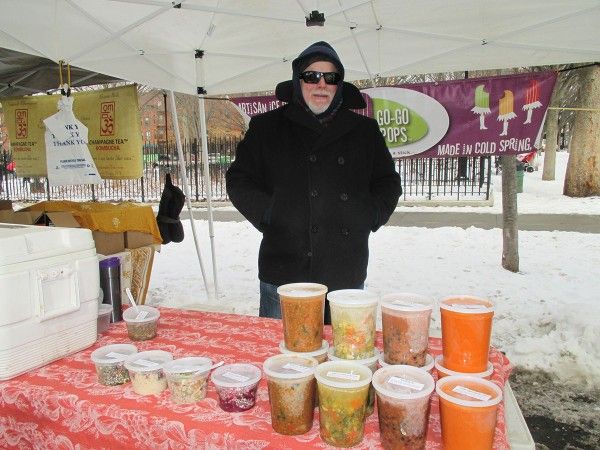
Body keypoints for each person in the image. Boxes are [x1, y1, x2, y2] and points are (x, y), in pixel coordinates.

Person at [226, 41, 401, 324]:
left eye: (330, 77)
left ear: (339, 84)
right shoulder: (267, 127)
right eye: (312, 76)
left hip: (345, 271)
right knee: (283, 359)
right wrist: (269, 212)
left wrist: (369, 214)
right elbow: (238, 179)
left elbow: (388, 182)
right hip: (284, 268)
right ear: (298, 81)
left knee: (343, 356)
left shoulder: (364, 131)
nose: (321, 84)